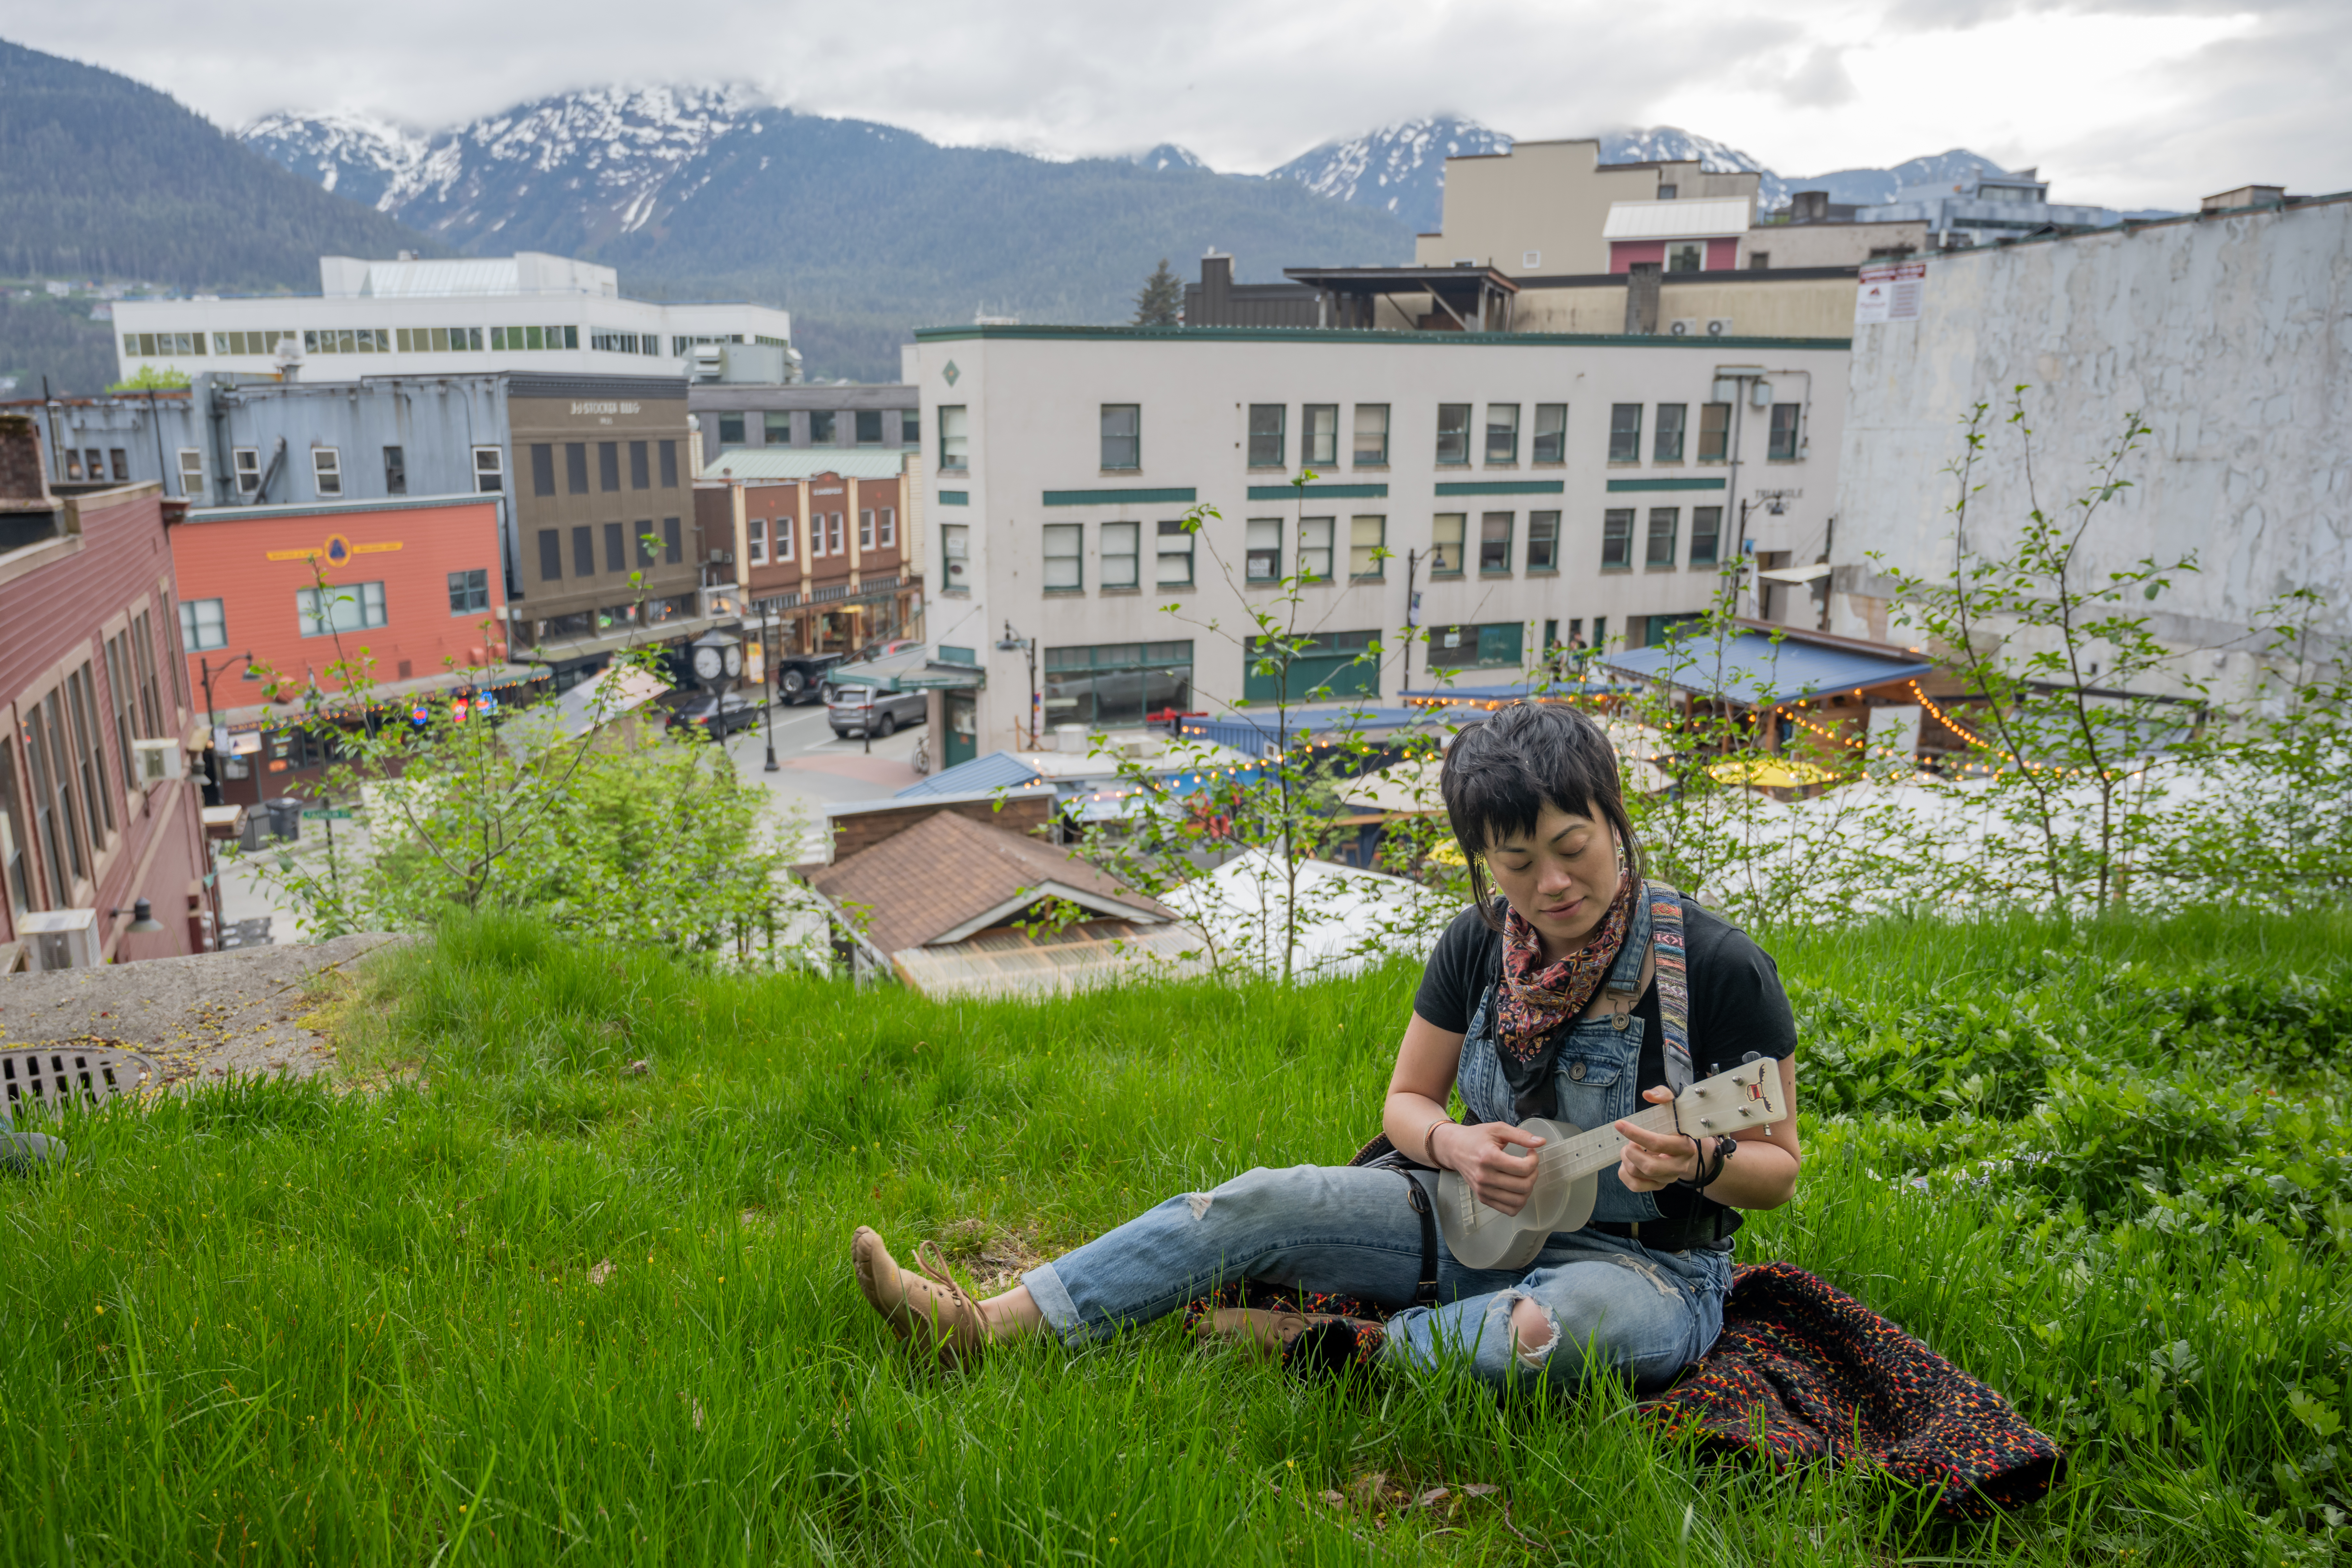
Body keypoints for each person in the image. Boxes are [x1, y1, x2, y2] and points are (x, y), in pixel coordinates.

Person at [850, 703, 1802, 1390]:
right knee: (1257, 1196)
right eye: (1518, 863)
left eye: (1573, 846)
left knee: (1547, 1329)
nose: (1552, 883)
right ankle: (987, 1325)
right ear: (1484, 861)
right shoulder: (1477, 943)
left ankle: (1326, 1348)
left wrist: (1702, 1156)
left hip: (1644, 1266)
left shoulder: (1713, 968)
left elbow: (1778, 1168)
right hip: (1464, 1215)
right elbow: (1406, 1103)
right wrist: (1456, 1145)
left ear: (1614, 819)